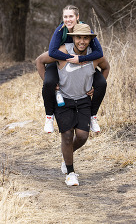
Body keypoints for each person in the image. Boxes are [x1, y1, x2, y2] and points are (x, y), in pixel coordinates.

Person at [36, 23, 110, 186]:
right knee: (67, 135)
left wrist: (96, 86)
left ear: (90, 40)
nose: (82, 41)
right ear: (73, 38)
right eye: (78, 38)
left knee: (83, 136)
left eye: (85, 38)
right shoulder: (62, 51)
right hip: (64, 100)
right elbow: (40, 61)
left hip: (83, 100)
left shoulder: (96, 56)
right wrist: (48, 82)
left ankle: (66, 155)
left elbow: (106, 68)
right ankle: (70, 173)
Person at [36, 5, 107, 134]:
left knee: (102, 83)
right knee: (49, 82)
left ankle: (93, 117)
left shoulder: (85, 29)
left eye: (71, 16)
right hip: (60, 58)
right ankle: (49, 117)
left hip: (83, 60)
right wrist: (70, 58)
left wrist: (80, 59)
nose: (68, 20)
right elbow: (52, 52)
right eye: (65, 17)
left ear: (77, 17)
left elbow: (99, 52)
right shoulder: (60, 30)